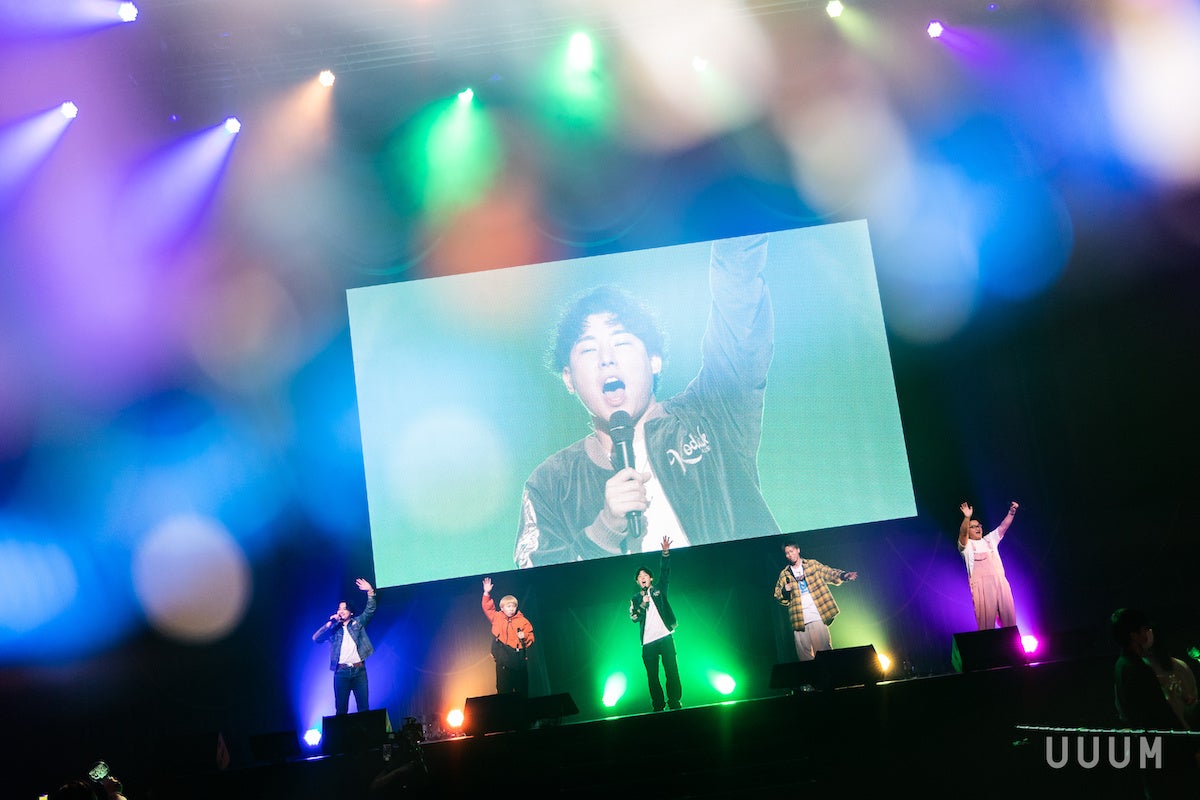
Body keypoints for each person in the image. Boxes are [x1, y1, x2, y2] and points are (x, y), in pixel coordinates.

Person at [514, 233, 782, 568]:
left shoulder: (712, 414)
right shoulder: (551, 485)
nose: (606, 359)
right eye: (588, 349)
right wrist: (603, 531)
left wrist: (735, 217)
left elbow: (739, 306)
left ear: (654, 360)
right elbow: (537, 589)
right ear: (568, 378)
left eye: (621, 342)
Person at [1110, 608, 1199, 796]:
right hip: (1168, 754)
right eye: (1144, 629)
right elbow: (1162, 715)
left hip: (1151, 752)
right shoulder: (1137, 669)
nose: (1147, 634)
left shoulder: (1122, 666)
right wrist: (1191, 749)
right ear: (1134, 635)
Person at [772, 540, 858, 661]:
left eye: (791, 551)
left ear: (798, 550)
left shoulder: (812, 565)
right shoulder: (785, 574)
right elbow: (777, 595)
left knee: (824, 654)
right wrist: (785, 591)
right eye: (787, 553)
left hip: (817, 616)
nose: (789, 555)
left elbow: (829, 573)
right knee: (804, 658)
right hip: (799, 621)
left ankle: (829, 673)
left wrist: (843, 575)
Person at [630, 536, 682, 711]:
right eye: (640, 577)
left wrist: (665, 553)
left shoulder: (659, 589)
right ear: (637, 582)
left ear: (651, 579)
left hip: (665, 637)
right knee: (653, 676)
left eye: (645, 575)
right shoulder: (635, 598)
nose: (643, 578)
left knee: (672, 671)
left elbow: (665, 573)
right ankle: (658, 705)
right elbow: (634, 618)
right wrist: (643, 605)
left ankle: (674, 701)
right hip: (648, 642)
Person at [312, 577, 377, 715]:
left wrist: (370, 591)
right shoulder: (334, 629)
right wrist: (329, 624)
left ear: (351, 612)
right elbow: (316, 638)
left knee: (364, 709)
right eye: (339, 609)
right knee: (341, 710)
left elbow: (370, 610)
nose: (341, 611)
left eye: (345, 609)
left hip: (359, 671)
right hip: (341, 672)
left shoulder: (357, 623)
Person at [957, 501, 1019, 630]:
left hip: (1000, 583)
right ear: (968, 530)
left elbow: (1003, 527)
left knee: (1010, 622)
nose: (978, 528)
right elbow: (962, 534)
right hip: (982, 587)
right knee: (986, 625)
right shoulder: (966, 547)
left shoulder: (989, 539)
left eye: (979, 526)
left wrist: (1011, 512)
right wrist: (967, 518)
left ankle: (1012, 641)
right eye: (973, 527)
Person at [481, 577, 535, 695]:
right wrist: (486, 593)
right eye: (508, 606)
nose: (511, 609)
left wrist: (524, 636)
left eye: (513, 606)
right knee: (504, 692)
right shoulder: (497, 618)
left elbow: (531, 637)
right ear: (502, 608)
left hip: (518, 661)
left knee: (522, 691)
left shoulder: (523, 621)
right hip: (503, 663)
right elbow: (488, 608)